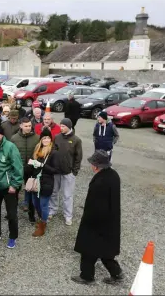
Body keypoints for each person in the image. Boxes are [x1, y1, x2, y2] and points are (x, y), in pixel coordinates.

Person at [72, 150, 124, 286]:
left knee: (88, 250)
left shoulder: (100, 182)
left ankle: (87, 276)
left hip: (96, 223)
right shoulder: (113, 175)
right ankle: (117, 273)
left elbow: (96, 205)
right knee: (106, 252)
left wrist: (87, 222)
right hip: (110, 222)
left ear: (96, 166)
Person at [49, 118, 83, 226]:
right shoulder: (57, 137)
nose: (61, 128)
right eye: (60, 126)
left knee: (67, 195)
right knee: (54, 192)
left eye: (63, 126)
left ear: (69, 127)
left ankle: (68, 215)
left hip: (68, 173)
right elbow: (52, 151)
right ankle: (52, 210)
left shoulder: (76, 140)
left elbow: (78, 157)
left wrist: (74, 171)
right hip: (56, 171)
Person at [26, 129, 58, 236]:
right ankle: (41, 219)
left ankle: (42, 226)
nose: (46, 140)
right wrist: (31, 164)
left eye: (48, 138)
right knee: (35, 203)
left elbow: (55, 170)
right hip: (36, 181)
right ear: (41, 139)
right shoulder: (37, 150)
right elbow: (32, 166)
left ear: (51, 139)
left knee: (44, 204)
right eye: (44, 138)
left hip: (46, 182)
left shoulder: (53, 152)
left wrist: (42, 165)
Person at [11, 118, 39, 222]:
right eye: (26, 126)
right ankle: (12, 213)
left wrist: (32, 165)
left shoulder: (37, 138)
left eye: (29, 126)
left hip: (31, 170)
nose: (28, 128)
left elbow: (38, 153)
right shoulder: (14, 138)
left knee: (31, 192)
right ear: (21, 126)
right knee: (14, 193)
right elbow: (11, 154)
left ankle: (31, 215)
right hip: (18, 170)